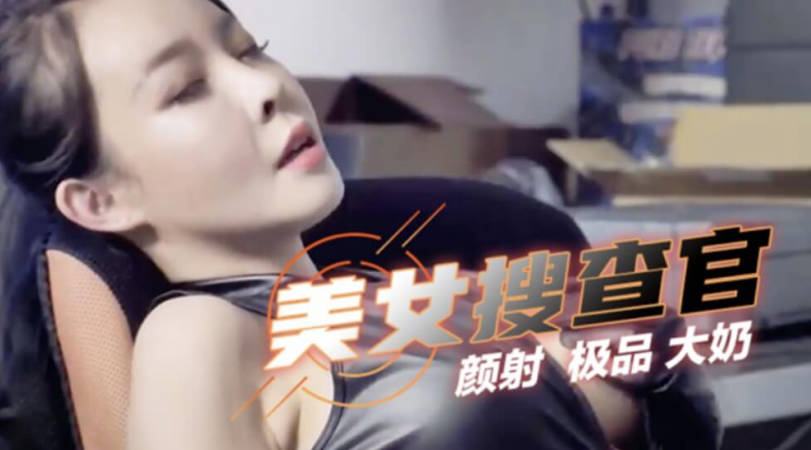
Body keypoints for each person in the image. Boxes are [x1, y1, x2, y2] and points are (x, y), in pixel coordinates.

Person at [0, 0, 721, 449]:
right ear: (100, 202)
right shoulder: (193, 334)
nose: (264, 86)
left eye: (249, 47)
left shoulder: (385, 306)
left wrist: (639, 363)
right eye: (186, 88)